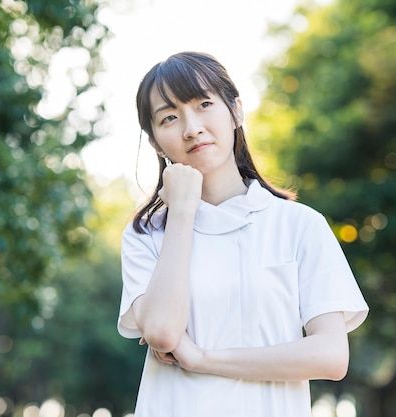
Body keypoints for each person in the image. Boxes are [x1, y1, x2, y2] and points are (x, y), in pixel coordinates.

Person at [117, 51, 368, 417]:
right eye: (169, 117)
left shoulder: (298, 225)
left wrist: (204, 359)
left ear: (236, 111)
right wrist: (183, 212)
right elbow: (162, 333)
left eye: (204, 104)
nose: (191, 127)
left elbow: (330, 356)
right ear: (155, 141)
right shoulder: (146, 235)